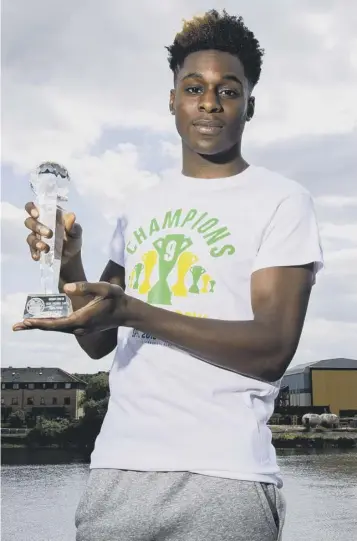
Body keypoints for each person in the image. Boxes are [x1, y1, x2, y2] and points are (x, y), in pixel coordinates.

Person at [14, 9, 323, 541]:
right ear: (172, 100)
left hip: (225, 479)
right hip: (116, 473)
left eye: (228, 90)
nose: (209, 102)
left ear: (250, 105)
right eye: (193, 87)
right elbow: (98, 341)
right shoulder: (141, 205)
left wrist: (135, 310)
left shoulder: (282, 201)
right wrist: (69, 261)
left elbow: (272, 350)